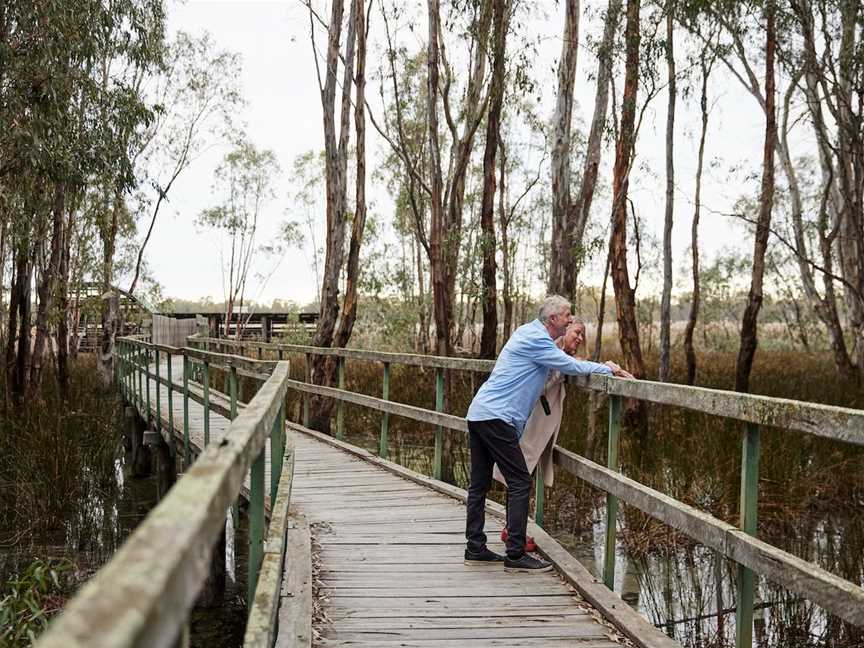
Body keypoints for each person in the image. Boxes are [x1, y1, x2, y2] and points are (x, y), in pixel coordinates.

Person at [464, 295, 632, 573]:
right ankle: (516, 554)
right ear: (553, 319)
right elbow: (571, 366)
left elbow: (558, 364)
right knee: (519, 482)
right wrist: (607, 368)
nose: (570, 319)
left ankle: (475, 547)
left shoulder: (527, 332)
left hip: (480, 413)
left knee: (479, 485)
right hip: (497, 418)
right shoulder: (537, 340)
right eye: (567, 315)